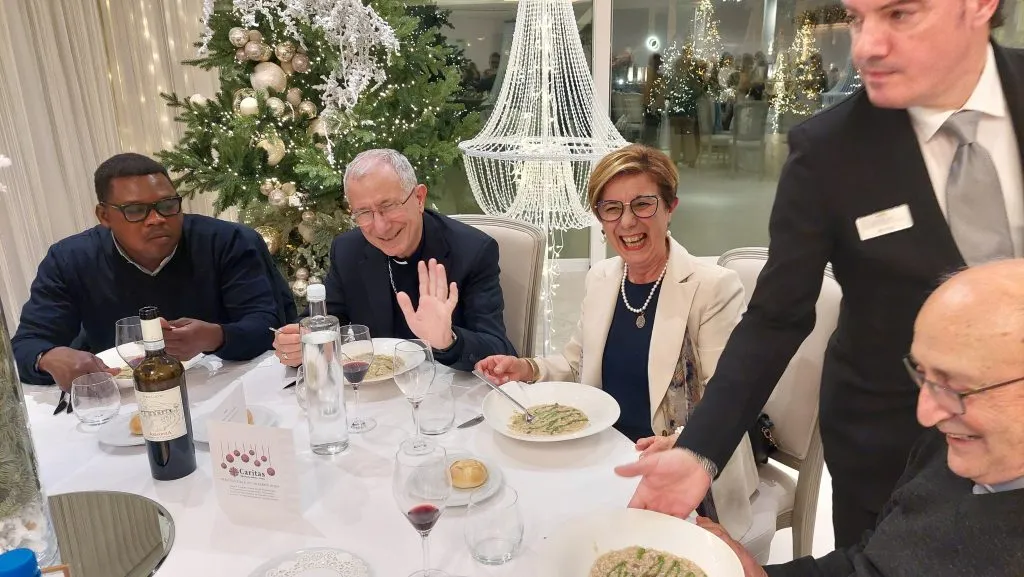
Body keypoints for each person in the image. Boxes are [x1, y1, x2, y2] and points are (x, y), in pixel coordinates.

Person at [615, 0, 1024, 547]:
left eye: (900, 15)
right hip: (893, 453)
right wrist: (699, 450)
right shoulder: (829, 150)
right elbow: (775, 317)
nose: (865, 47)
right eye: (857, 18)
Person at [476, 144, 759, 540]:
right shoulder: (602, 278)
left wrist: (683, 443)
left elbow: (727, 398)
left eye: (643, 204)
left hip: (678, 470)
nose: (627, 222)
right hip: (601, 456)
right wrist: (527, 368)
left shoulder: (712, 287)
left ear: (670, 207)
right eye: (611, 208)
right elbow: (576, 363)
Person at [698, 260, 1024, 576]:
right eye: (924, 375)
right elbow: (875, 559)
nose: (926, 415)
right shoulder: (948, 448)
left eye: (958, 386)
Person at [12, 153, 293, 390]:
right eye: (136, 210)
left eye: (168, 205)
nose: (157, 219)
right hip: (125, 398)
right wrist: (47, 358)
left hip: (225, 387)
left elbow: (268, 327)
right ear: (104, 216)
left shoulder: (226, 242)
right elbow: (26, 344)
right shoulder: (71, 259)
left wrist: (214, 336)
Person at [272, 149, 516, 372]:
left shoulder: (472, 250)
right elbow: (325, 321)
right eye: (364, 212)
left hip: (447, 392)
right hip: (376, 395)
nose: (380, 226)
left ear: (419, 198)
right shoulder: (348, 250)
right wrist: (298, 343)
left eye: (388, 206)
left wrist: (448, 340)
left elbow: (499, 350)